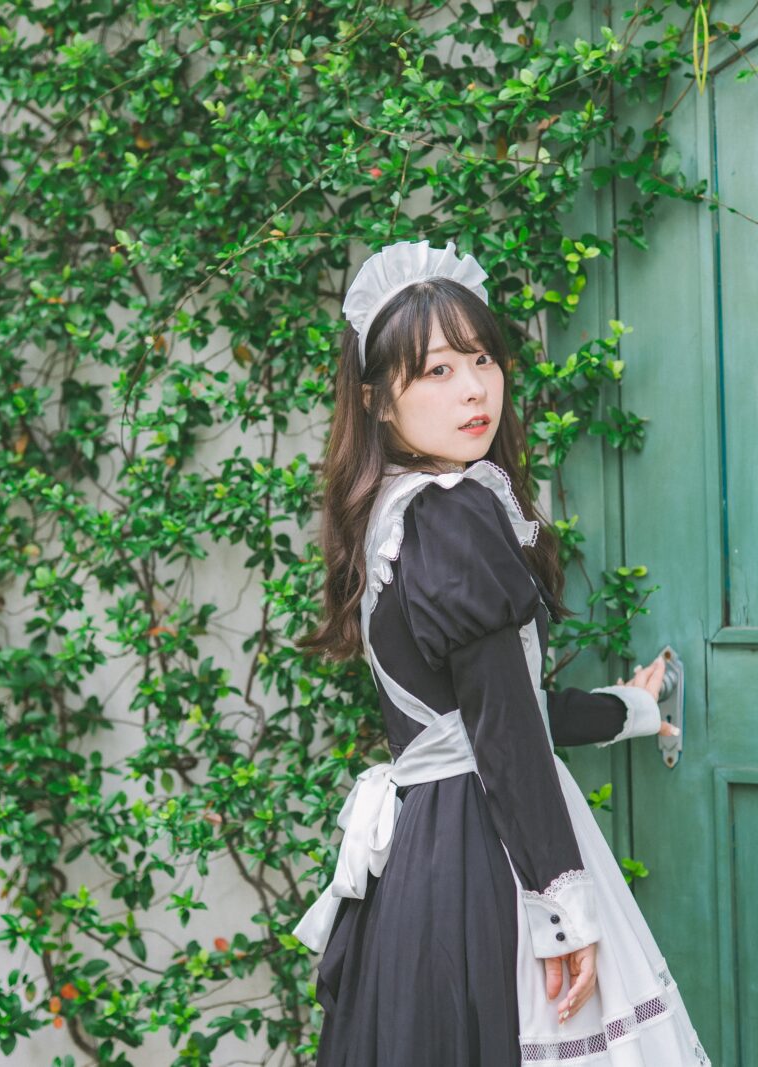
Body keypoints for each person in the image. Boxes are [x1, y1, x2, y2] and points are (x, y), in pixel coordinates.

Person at [293, 238, 713, 1066]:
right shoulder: (450, 510)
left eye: (481, 359)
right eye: (437, 370)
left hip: (424, 860)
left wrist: (632, 709)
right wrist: (564, 912)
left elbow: (495, 711)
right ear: (378, 401)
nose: (474, 387)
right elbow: (504, 733)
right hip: (485, 860)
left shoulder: (394, 514)